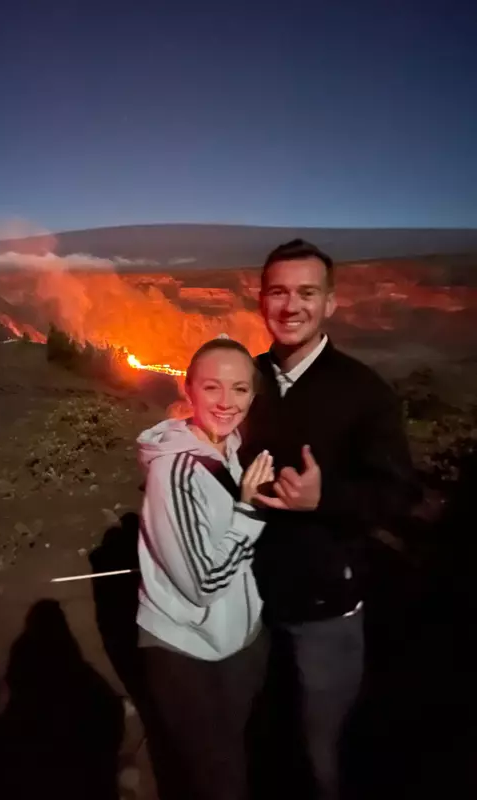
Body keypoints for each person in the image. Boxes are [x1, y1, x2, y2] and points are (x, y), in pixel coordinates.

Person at [239, 239, 420, 800]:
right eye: (278, 292)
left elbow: (398, 493)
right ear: (261, 299)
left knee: (325, 748)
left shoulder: (364, 392)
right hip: (244, 601)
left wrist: (327, 498)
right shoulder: (246, 380)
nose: (291, 306)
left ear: (331, 304)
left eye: (307, 293)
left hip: (324, 608)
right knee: (261, 735)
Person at [136, 337, 313, 800]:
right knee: (219, 778)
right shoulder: (173, 471)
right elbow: (204, 584)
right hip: (188, 651)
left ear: (253, 396)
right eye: (212, 387)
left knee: (242, 754)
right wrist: (249, 511)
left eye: (239, 390)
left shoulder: (233, 447)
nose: (226, 402)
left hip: (240, 641)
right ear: (188, 389)